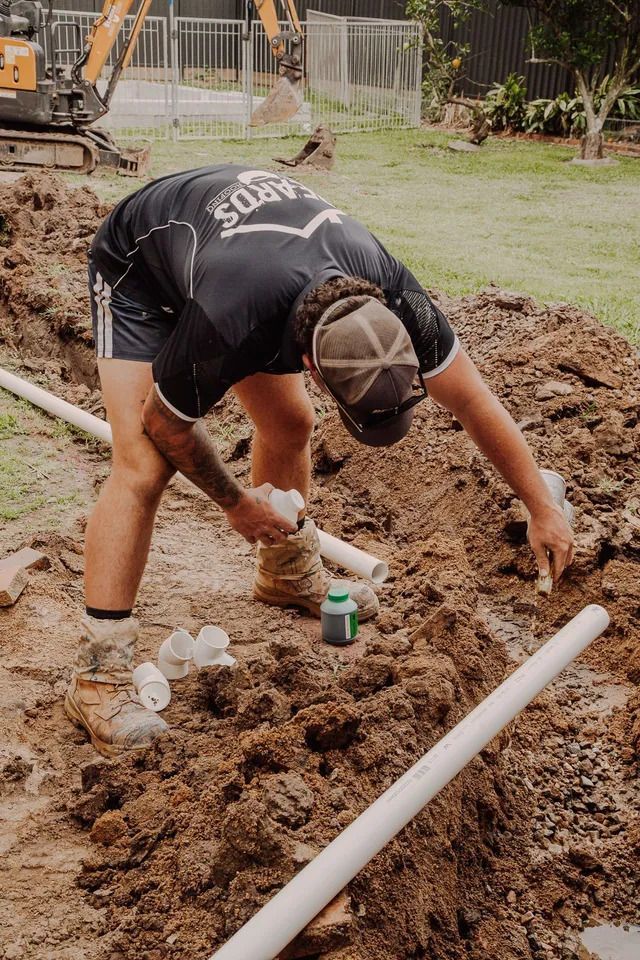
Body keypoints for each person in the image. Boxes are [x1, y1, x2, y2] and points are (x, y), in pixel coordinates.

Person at [65, 163, 574, 757]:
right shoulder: (233, 317)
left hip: (246, 260)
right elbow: (165, 422)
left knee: (290, 421)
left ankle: (283, 575)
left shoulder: (393, 287)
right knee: (144, 465)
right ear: (310, 364)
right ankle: (97, 678)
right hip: (143, 266)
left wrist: (541, 504)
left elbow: (472, 397)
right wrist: (236, 503)